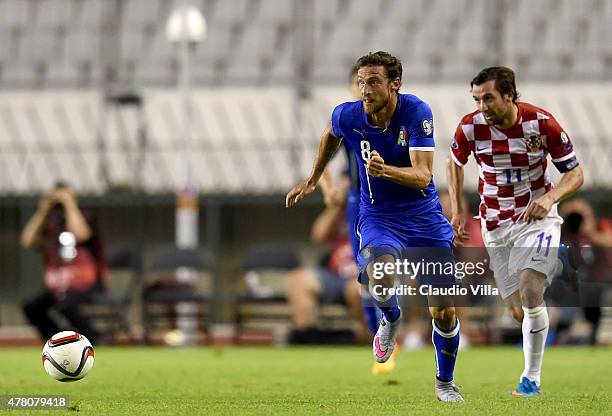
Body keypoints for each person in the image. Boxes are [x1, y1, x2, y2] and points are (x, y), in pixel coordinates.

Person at [287, 51, 464, 402]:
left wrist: (386, 171)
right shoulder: (348, 114)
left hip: (423, 217)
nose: (365, 90)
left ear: (394, 83)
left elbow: (423, 176)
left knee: (443, 309)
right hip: (378, 215)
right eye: (362, 81)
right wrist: (313, 178)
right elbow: (330, 135)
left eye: (374, 82)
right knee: (379, 275)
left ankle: (445, 382)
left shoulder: (417, 112)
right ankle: (390, 318)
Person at [446, 67, 584, 397]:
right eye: (477, 100)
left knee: (530, 288)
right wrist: (457, 207)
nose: (483, 107)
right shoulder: (470, 126)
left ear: (509, 95)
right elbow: (454, 162)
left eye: (489, 98)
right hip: (495, 224)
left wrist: (550, 197)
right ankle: (550, 264)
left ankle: (530, 380)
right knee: (517, 310)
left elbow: (575, 173)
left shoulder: (541, 123)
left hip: (537, 218)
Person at [319, 65, 391, 374]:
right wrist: (328, 189)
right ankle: (380, 339)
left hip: (390, 203)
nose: (361, 90)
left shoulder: (393, 117)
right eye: (356, 84)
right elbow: (322, 159)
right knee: (366, 272)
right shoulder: (347, 122)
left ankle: (389, 327)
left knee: (383, 269)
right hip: (357, 204)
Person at [287, 175, 369, 342]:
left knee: (357, 289)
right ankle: (306, 337)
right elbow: (317, 236)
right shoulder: (341, 211)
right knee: (298, 280)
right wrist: (336, 205)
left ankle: (370, 339)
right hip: (335, 276)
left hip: (364, 276)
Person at [21, 182, 106, 344]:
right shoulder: (50, 223)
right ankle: (57, 340)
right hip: (57, 286)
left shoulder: (84, 217)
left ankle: (94, 338)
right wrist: (42, 210)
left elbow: (82, 235)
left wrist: (69, 203)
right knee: (31, 307)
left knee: (66, 306)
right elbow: (27, 240)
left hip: (84, 284)